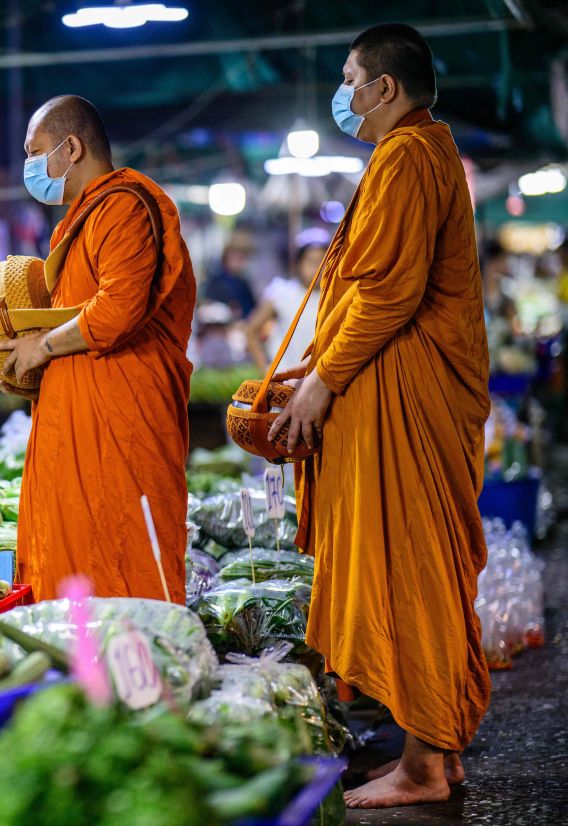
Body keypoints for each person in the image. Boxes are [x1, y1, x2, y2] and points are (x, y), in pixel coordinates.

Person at [269, 23, 490, 809]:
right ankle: (436, 751)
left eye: (349, 79)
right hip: (397, 390)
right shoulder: (422, 153)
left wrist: (324, 378)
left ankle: (425, 768)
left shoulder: (407, 156)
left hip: (408, 400)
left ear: (384, 88)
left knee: (414, 571)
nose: (344, 95)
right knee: (416, 571)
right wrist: (320, 364)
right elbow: (371, 289)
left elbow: (390, 292)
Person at [0, 95, 197, 603]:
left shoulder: (124, 206)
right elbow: (73, 317)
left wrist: (44, 347)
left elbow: (117, 309)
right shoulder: (76, 222)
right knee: (74, 565)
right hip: (78, 426)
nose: (29, 167)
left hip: (120, 427)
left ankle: (134, 678)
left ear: (71, 148)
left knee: (123, 562)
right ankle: (83, 674)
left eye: (35, 152)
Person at [243, 239, 328, 371]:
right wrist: (264, 368)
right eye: (311, 261)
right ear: (298, 264)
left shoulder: (334, 297)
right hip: (284, 379)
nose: (317, 267)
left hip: (321, 381)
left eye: (322, 262)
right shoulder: (282, 293)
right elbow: (251, 331)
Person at [203, 235, 257, 319]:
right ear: (227, 256)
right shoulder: (216, 282)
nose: (242, 261)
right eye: (238, 256)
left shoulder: (243, 283)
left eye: (244, 257)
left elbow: (252, 310)